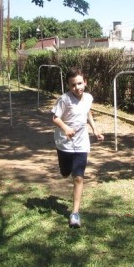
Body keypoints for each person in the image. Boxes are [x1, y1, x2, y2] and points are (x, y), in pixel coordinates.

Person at [51, 68, 104, 228]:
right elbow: (55, 118)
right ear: (68, 85)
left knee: (78, 177)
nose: (77, 87)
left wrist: (95, 129)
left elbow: (88, 113)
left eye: (80, 83)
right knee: (65, 172)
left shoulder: (88, 98)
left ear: (85, 82)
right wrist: (66, 128)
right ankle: (64, 170)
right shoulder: (64, 99)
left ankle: (75, 213)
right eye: (73, 85)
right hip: (64, 144)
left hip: (81, 144)